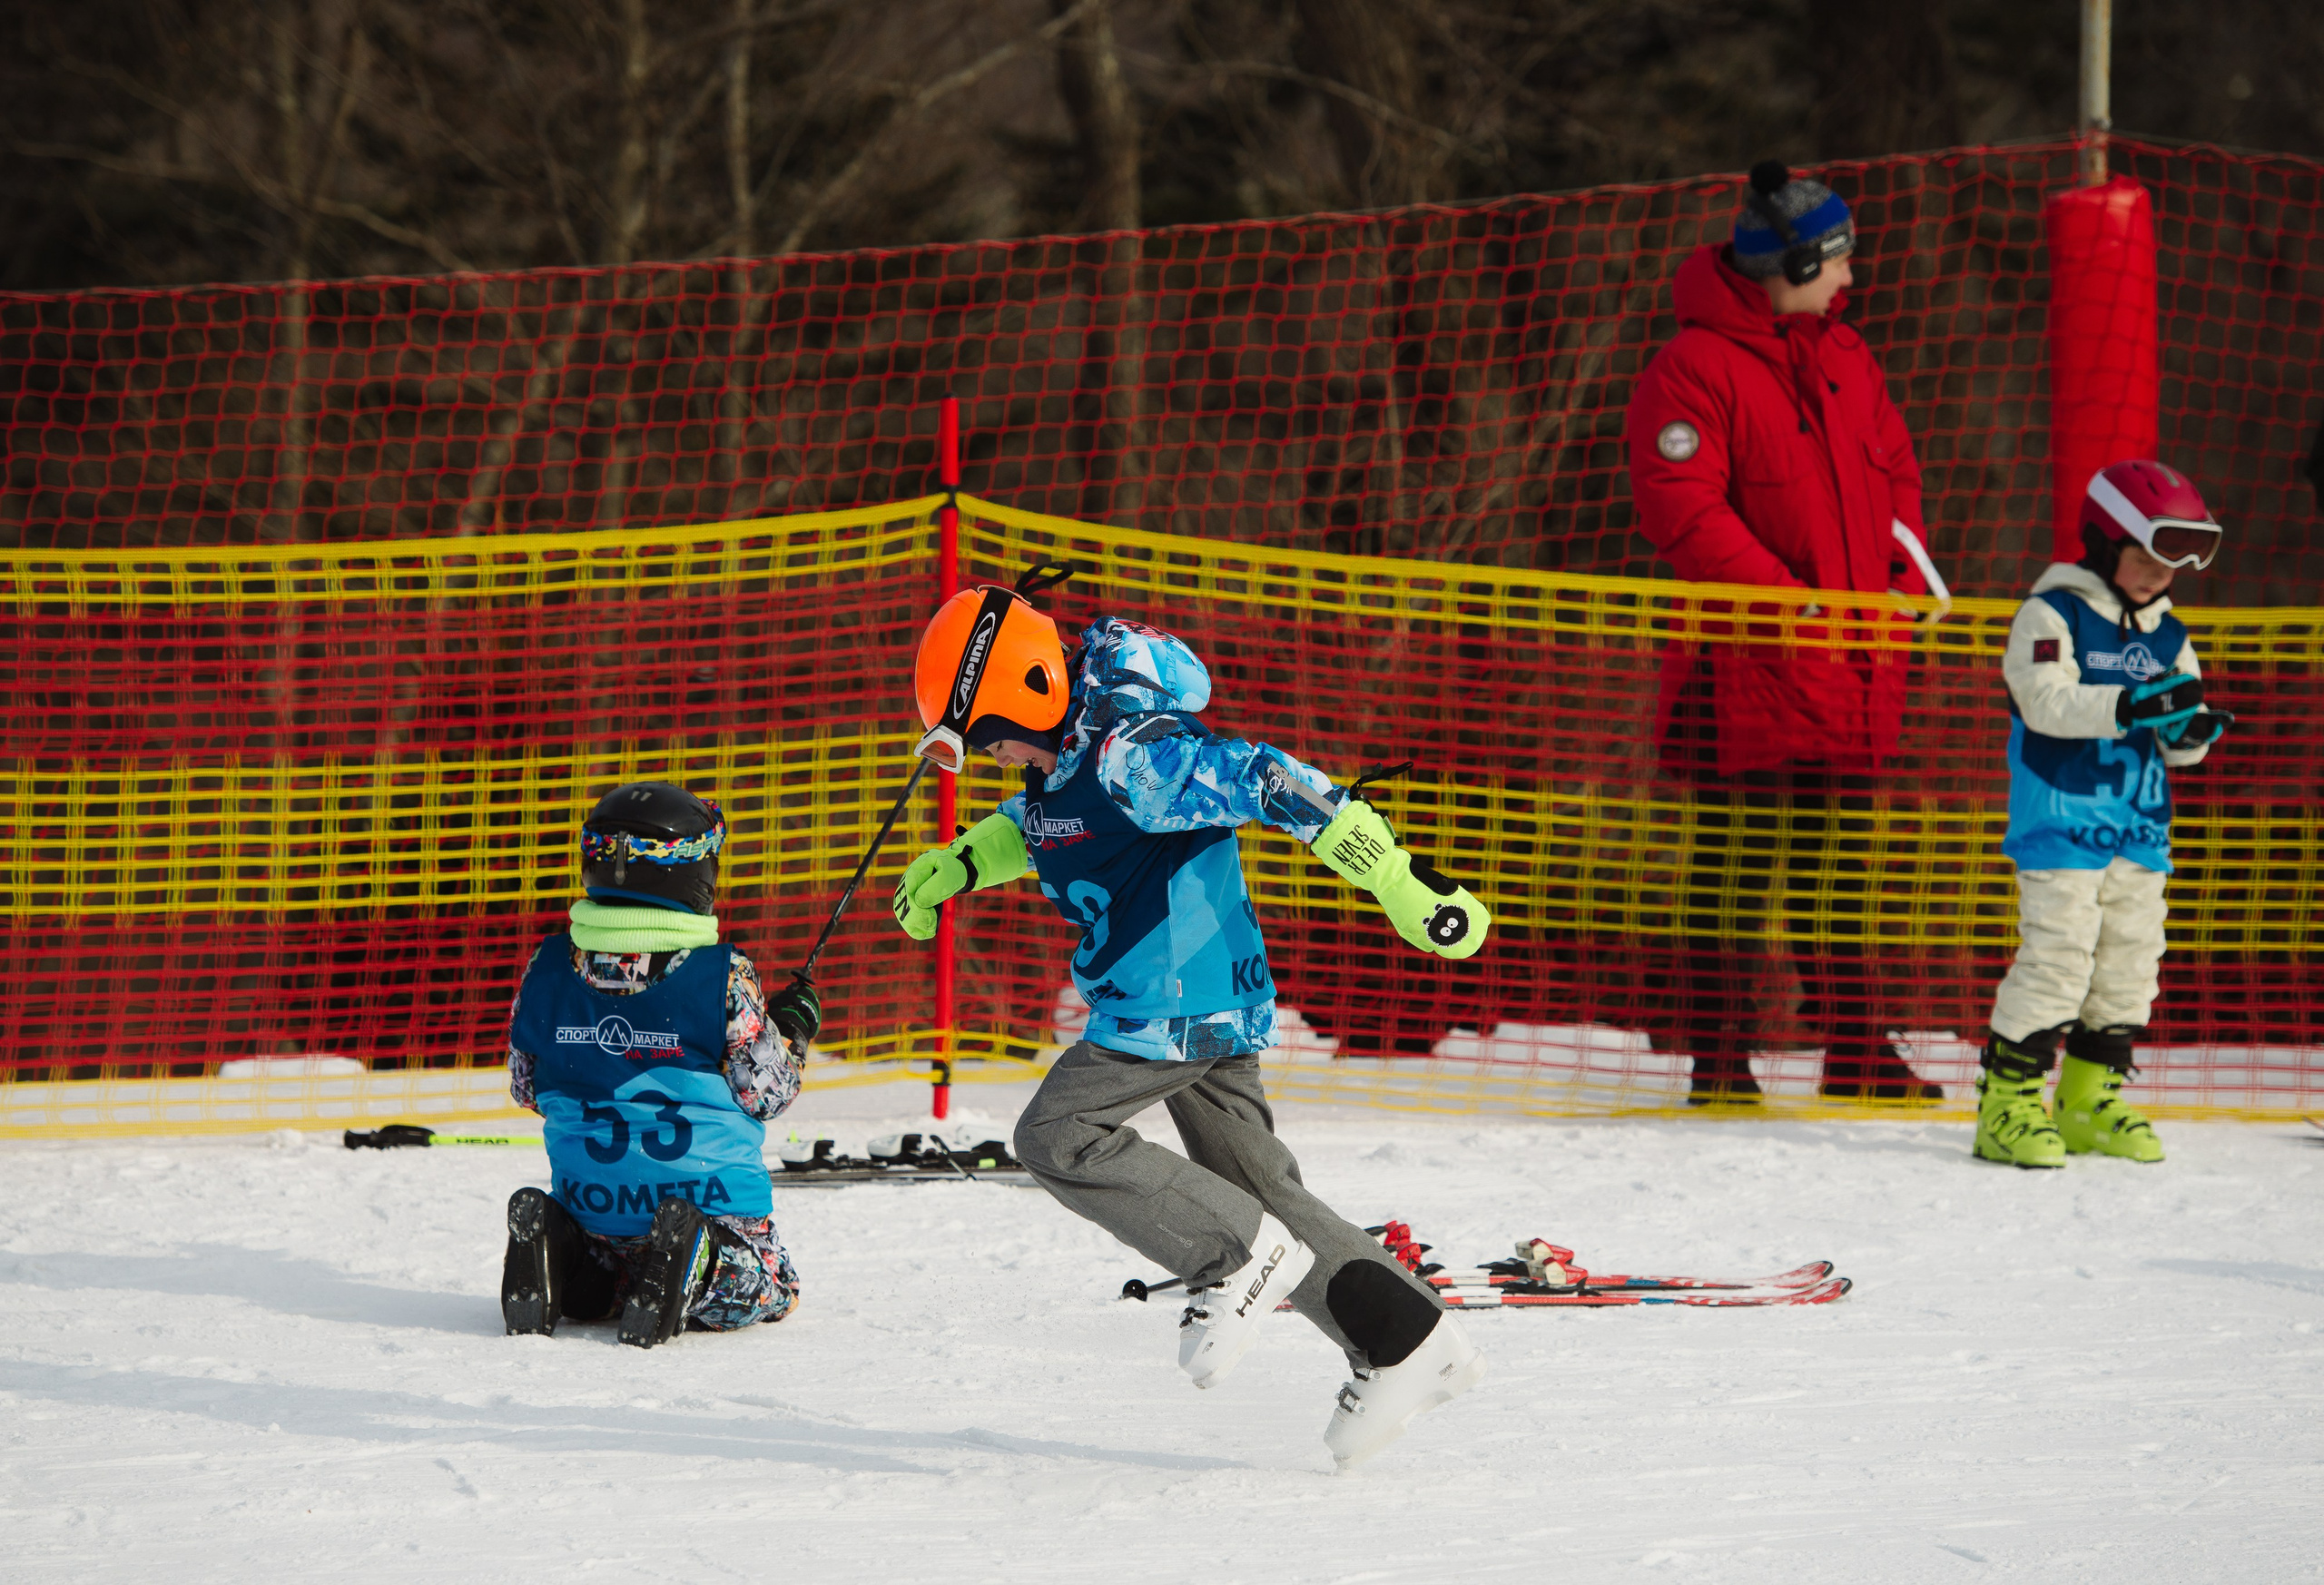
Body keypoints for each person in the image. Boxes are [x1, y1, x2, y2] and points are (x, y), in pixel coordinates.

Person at [891, 587, 1490, 1469]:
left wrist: (1396, 879)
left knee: (1058, 1135)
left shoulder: (1133, 755)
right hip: (1202, 995)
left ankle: (1234, 1258)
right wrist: (964, 862)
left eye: (987, 738)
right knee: (1257, 1185)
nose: (992, 758)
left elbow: (1265, 779)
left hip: (1166, 998)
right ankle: (1409, 1341)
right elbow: (1051, 825)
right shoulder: (1070, 752)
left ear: (1023, 692)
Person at [1626, 158, 1945, 1106]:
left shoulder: (1848, 356)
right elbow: (1683, 510)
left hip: (1849, 666)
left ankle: (1856, 1049)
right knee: (1734, 870)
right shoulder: (1691, 367)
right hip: (1746, 671)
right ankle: (1721, 1059)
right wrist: (1788, 602)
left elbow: (1898, 481)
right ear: (1792, 265)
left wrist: (1898, 585)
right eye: (1836, 259)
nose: (1849, 275)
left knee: (1840, 871)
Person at [499, 782, 823, 1346]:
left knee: (606, 1283)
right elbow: (768, 1095)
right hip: (706, 1203)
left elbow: (526, 1087)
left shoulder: (547, 968)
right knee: (773, 1286)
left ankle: (561, 1248)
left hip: (594, 1210)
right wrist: (792, 1031)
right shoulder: (722, 977)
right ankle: (702, 1254)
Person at [1974, 460, 2231, 1167]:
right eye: (2144, 554)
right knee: (2058, 960)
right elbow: (2044, 702)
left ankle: (2087, 1101)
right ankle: (2006, 1106)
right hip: (2061, 823)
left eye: (2173, 561)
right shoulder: (2052, 613)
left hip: (2139, 830)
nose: (2158, 573)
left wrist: (2188, 733)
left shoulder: (2170, 635)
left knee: (2129, 966)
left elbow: (2180, 747)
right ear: (2102, 541)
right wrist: (2129, 704)